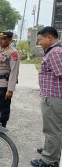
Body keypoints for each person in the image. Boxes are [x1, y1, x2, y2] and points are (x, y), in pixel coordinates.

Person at [30, 26, 62, 167]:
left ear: (49, 37)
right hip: (52, 95)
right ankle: (51, 150)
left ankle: (49, 160)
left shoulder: (55, 52)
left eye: (40, 40)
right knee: (54, 127)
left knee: (52, 129)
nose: (39, 43)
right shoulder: (55, 51)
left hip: (54, 97)